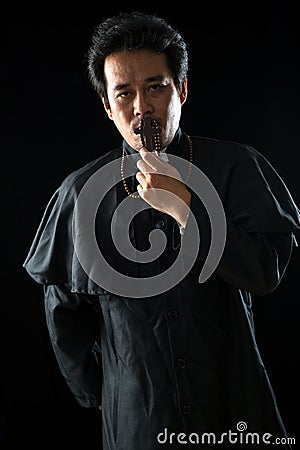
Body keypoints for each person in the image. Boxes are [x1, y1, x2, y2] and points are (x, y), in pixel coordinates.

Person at [23, 11, 299, 450]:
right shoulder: (80, 193)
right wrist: (99, 390)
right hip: (138, 416)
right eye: (124, 93)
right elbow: (63, 307)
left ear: (182, 90)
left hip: (232, 405)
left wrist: (188, 209)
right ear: (107, 106)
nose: (141, 107)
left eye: (156, 87)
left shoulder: (236, 168)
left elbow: (264, 273)